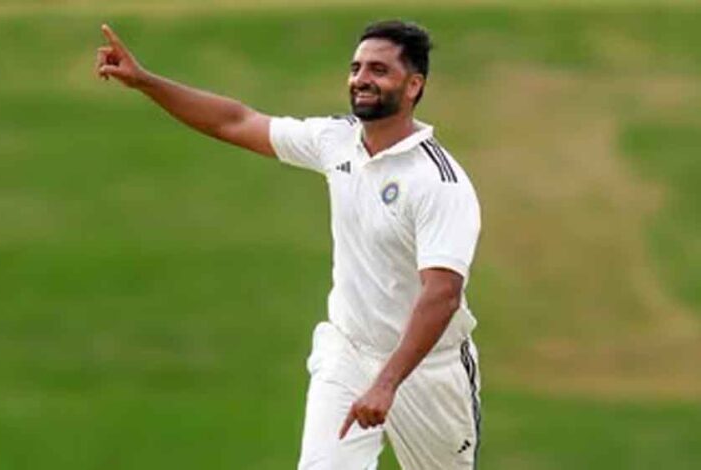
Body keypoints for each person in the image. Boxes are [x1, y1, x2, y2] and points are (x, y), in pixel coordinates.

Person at [96, 19, 482, 470]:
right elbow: (235, 121)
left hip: (427, 370)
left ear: (413, 85)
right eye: (356, 68)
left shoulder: (439, 182)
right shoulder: (337, 140)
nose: (361, 79)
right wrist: (145, 81)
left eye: (378, 70)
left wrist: (387, 382)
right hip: (349, 348)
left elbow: (442, 294)